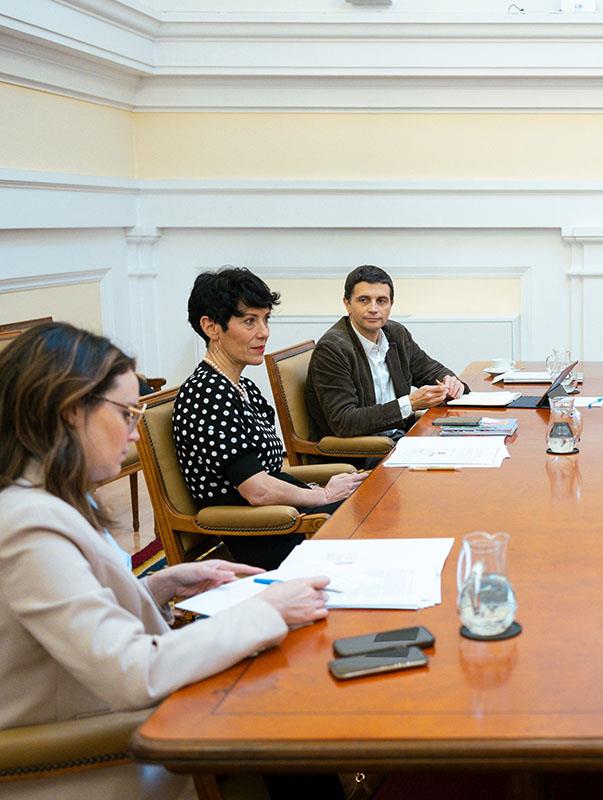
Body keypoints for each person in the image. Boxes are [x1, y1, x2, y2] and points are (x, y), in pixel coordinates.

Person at [0, 322, 332, 800]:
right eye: (127, 414)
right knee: (285, 719)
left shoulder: (45, 498)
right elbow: (134, 672)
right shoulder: (27, 526)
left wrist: (163, 584)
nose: (136, 435)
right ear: (73, 412)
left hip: (115, 719)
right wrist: (267, 611)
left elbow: (76, 613)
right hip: (95, 763)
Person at [173, 268, 367, 570]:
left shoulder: (241, 386)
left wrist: (316, 491)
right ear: (211, 327)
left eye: (265, 319)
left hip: (283, 518)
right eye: (249, 321)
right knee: (369, 524)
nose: (263, 332)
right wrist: (322, 495)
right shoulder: (206, 393)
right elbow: (257, 489)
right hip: (262, 532)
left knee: (368, 502)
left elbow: (270, 474)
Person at [307, 264, 466, 440]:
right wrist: (411, 403)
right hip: (362, 450)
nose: (373, 309)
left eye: (381, 301)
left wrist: (450, 382)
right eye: (363, 300)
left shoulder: (396, 334)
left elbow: (430, 370)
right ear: (347, 304)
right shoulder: (332, 349)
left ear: (391, 305)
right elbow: (344, 422)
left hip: (400, 437)